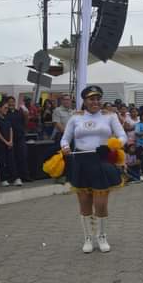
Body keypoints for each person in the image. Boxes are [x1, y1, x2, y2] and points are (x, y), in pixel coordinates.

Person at [60, 85, 127, 253]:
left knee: (101, 204)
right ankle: (88, 238)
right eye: (91, 99)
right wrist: (65, 147)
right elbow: (65, 139)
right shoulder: (76, 118)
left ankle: (102, 236)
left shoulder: (110, 116)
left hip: (102, 160)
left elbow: (123, 136)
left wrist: (112, 145)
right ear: (85, 101)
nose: (95, 102)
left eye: (98, 99)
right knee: (84, 203)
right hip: (81, 161)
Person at [0, 101, 21, 187]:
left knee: (11, 161)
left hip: (9, 143)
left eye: (7, 108)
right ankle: (3, 179)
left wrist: (10, 140)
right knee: (1, 161)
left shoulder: (7, 117)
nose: (6, 110)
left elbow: (10, 129)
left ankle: (15, 178)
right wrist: (5, 141)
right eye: (5, 108)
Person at [6, 96, 31, 182]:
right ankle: (14, 176)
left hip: (20, 137)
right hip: (10, 138)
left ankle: (25, 176)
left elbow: (25, 123)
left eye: (13, 102)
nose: (11, 103)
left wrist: (26, 116)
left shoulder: (19, 112)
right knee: (12, 159)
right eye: (9, 102)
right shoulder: (5, 113)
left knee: (23, 156)